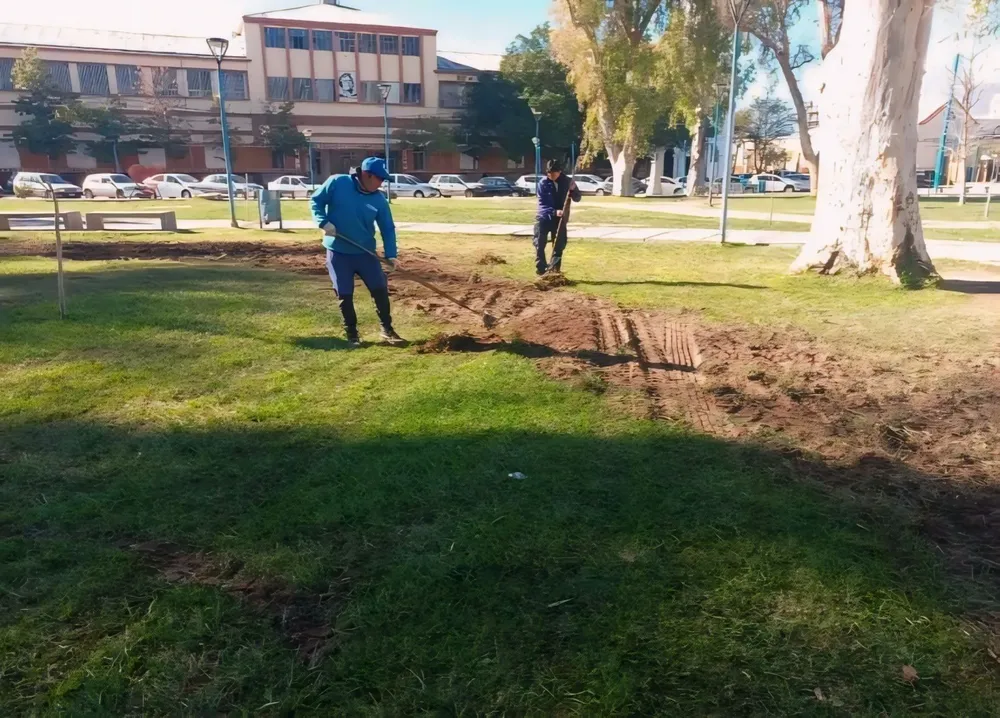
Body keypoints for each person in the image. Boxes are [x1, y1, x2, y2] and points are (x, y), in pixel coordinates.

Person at [310, 156, 403, 347]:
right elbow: (316, 201)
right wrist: (323, 221)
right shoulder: (338, 182)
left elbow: (387, 228)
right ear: (367, 175)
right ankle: (351, 333)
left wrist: (391, 254)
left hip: (365, 253)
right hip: (338, 252)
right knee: (345, 293)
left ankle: (387, 329)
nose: (382, 183)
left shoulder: (378, 200)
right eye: (380, 179)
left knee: (379, 290)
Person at [534, 159, 581, 276]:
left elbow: (577, 198)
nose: (551, 175)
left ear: (560, 172)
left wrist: (574, 189)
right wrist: (554, 212)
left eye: (553, 172)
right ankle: (541, 268)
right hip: (544, 217)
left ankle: (554, 270)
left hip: (560, 220)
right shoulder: (543, 183)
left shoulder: (567, 182)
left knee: (559, 245)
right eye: (549, 172)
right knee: (539, 243)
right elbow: (542, 203)